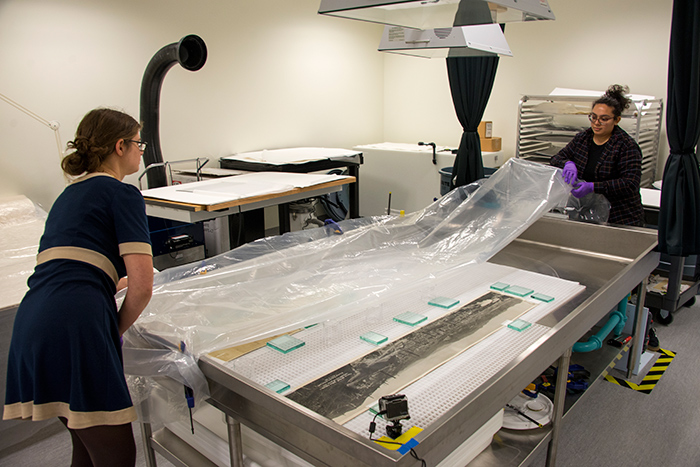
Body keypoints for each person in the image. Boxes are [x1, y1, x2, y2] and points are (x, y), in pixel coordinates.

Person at [3, 108, 154, 466]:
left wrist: (112, 284)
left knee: (86, 449)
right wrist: (110, 330)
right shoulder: (123, 194)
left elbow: (75, 265)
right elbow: (143, 285)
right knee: (117, 455)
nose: (141, 150)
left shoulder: (68, 196)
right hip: (76, 327)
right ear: (120, 146)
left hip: (33, 323)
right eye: (138, 143)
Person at [550, 84, 644, 226]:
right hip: (586, 213)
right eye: (593, 117)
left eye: (604, 119)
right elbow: (556, 158)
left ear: (616, 120)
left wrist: (593, 187)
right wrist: (567, 163)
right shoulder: (583, 138)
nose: (596, 123)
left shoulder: (626, 146)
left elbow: (630, 183)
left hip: (619, 217)